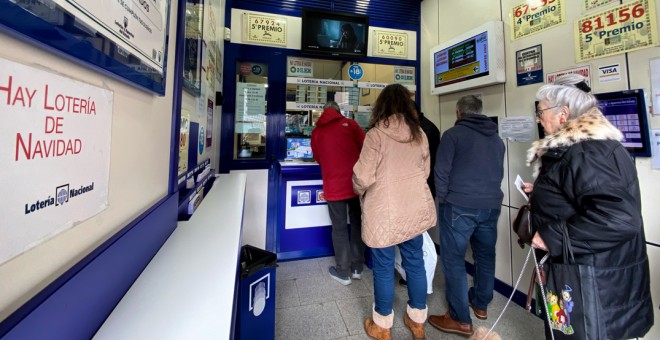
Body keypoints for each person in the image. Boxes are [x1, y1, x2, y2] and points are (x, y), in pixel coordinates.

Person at [528, 84, 653, 339]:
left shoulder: (587, 152)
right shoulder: (588, 148)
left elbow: (617, 219)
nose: (538, 118)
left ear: (563, 114)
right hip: (590, 273)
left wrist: (551, 236)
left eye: (541, 111)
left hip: (592, 280)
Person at [353, 84, 436, 340]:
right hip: (413, 212)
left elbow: (362, 177)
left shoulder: (376, 136)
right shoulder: (420, 134)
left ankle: (382, 326)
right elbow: (425, 173)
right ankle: (417, 320)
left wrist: (358, 189)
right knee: (415, 263)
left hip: (384, 214)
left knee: (383, 267)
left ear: (382, 106)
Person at [428, 95, 505, 338]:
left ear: (459, 112)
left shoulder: (453, 135)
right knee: (485, 255)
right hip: (491, 206)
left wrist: (445, 199)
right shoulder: (496, 139)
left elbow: (440, 172)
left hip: (459, 206)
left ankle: (460, 319)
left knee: (453, 260)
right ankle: (481, 304)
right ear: (480, 112)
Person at [311, 101, 366, 285]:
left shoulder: (317, 131)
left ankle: (343, 272)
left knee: (340, 229)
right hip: (355, 185)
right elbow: (366, 148)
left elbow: (318, 157)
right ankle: (358, 267)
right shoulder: (350, 125)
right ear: (338, 111)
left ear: (324, 112)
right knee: (357, 224)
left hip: (334, 187)